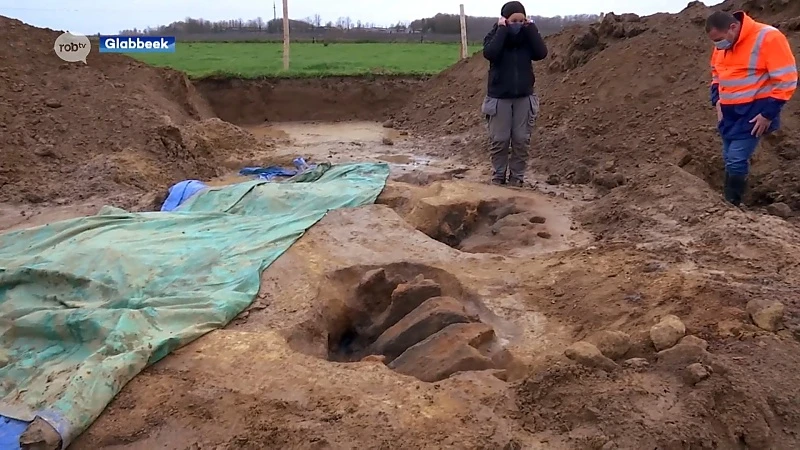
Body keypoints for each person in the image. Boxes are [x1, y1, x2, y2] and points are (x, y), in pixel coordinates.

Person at [707, 10, 797, 206]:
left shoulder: (768, 37)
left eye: (720, 39)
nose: (718, 45)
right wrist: (718, 102)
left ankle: (732, 203)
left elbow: (786, 80)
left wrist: (767, 114)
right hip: (729, 114)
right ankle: (728, 200)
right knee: (728, 156)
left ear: (733, 27)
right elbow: (717, 74)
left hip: (753, 113)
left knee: (736, 159)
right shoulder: (723, 45)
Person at [481, 1, 548, 187]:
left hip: (524, 97)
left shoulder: (528, 38)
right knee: (500, 140)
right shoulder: (495, 36)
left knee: (521, 140)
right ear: (505, 20)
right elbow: (490, 53)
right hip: (499, 97)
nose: (517, 23)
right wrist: (502, 30)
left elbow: (541, 53)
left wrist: (531, 28)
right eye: (513, 20)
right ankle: (498, 175)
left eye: (521, 20)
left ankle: (516, 178)